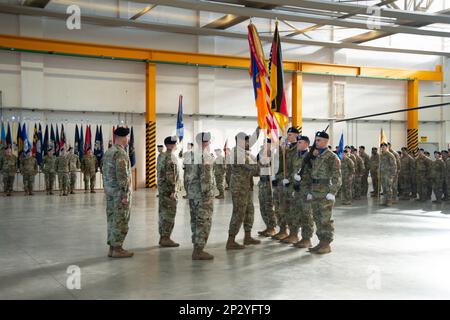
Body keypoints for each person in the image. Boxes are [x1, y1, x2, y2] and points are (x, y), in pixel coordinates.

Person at [308, 131, 341, 254]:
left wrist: (332, 192)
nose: (316, 142)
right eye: (316, 140)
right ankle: (321, 242)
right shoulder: (317, 156)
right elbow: (313, 174)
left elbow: (337, 177)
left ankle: (326, 244)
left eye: (319, 140)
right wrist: (311, 190)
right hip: (315, 191)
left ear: (326, 141)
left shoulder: (332, 157)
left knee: (325, 219)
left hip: (325, 191)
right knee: (317, 217)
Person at [103, 126, 133, 258]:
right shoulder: (120, 153)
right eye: (127, 137)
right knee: (121, 220)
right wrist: (125, 194)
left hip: (110, 192)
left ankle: (112, 247)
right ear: (123, 138)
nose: (128, 140)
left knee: (112, 219)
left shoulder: (109, 151)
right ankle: (117, 248)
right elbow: (123, 175)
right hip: (119, 193)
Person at [226, 132, 260, 250]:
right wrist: (261, 159)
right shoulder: (238, 154)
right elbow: (255, 170)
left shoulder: (243, 153)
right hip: (240, 188)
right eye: (246, 141)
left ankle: (247, 236)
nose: (247, 143)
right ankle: (231, 240)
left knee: (249, 211)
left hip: (246, 187)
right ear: (240, 141)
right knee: (239, 213)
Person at [185, 132, 215, 260]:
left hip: (192, 194)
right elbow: (206, 177)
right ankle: (199, 250)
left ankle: (196, 246)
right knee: (204, 222)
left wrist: (188, 191)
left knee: (195, 221)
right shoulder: (205, 156)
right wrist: (207, 194)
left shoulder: (190, 154)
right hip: (202, 195)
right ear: (205, 142)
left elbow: (186, 176)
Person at [272, 127, 299, 242]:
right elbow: (281, 165)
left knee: (291, 210)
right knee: (280, 208)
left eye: (291, 134)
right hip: (281, 183)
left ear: (297, 136)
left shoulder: (298, 149)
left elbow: (295, 168)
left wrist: (287, 178)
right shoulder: (286, 148)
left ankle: (294, 234)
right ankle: (283, 230)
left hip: (291, 183)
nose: (288, 136)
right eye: (288, 134)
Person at [291, 135, 314, 249]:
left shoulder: (311, 157)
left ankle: (307, 239)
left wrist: (311, 191)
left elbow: (314, 174)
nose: (298, 144)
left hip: (306, 190)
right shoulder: (297, 156)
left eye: (300, 142)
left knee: (307, 215)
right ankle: (296, 236)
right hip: (298, 189)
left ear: (306, 144)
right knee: (297, 213)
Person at [157, 136, 180, 248]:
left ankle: (163, 237)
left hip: (162, 189)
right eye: (176, 143)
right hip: (168, 191)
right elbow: (171, 176)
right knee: (169, 214)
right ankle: (166, 238)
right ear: (172, 145)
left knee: (162, 214)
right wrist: (173, 191)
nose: (177, 145)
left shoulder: (161, 156)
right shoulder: (171, 157)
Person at [257, 139, 276, 237]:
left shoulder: (274, 155)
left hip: (269, 183)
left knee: (269, 206)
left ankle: (272, 228)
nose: (265, 145)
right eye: (263, 143)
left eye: (267, 143)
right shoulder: (261, 154)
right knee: (262, 206)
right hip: (262, 182)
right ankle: (268, 226)